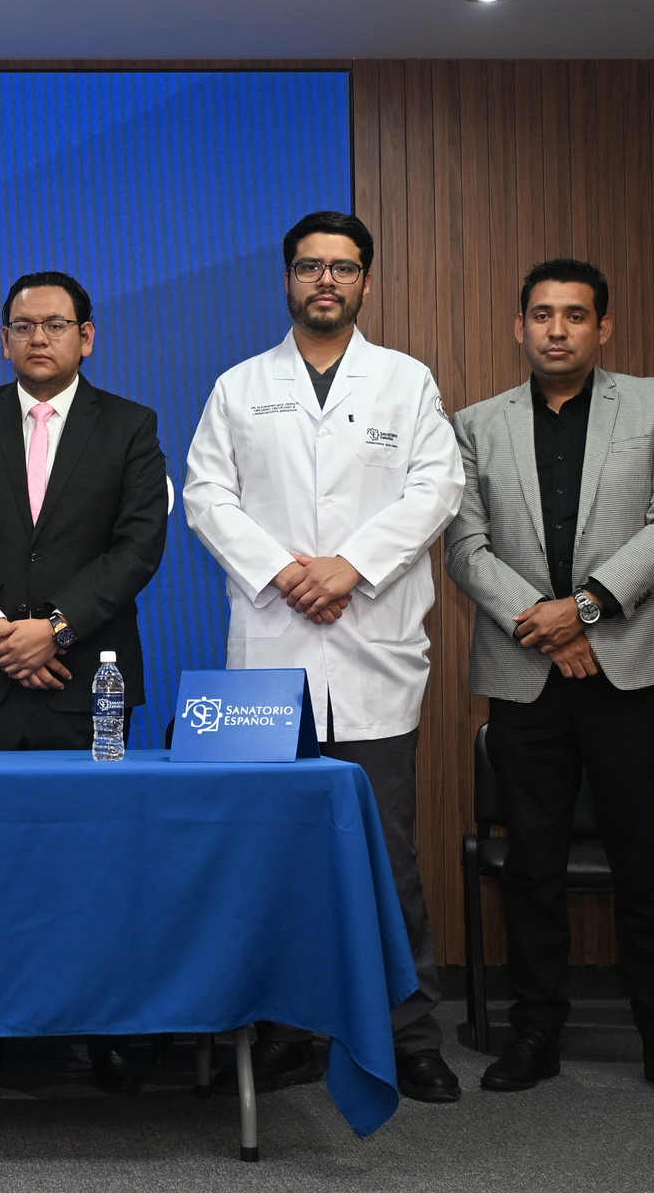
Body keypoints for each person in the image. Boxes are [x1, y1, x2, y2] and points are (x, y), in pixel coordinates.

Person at [182, 212, 465, 1104]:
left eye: (343, 267)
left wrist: (351, 566)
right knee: (270, 856)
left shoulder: (406, 382)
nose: (326, 281)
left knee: (388, 853)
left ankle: (410, 1034)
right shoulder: (240, 386)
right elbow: (206, 495)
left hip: (373, 646)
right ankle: (283, 1032)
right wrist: (285, 572)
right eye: (310, 267)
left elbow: (438, 487)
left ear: (366, 282)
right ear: (288, 279)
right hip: (269, 660)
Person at [446, 259, 654, 1102]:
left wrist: (586, 610)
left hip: (630, 664)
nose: (556, 329)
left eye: (574, 315)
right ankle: (535, 1033)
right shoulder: (475, 424)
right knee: (531, 862)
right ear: (518, 327)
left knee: (643, 856)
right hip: (527, 666)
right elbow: (465, 547)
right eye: (541, 314)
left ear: (604, 328)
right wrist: (546, 622)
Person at [0, 270, 168, 1093]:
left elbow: (138, 546)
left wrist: (56, 627)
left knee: (87, 863)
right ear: (4, 337)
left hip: (87, 687)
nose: (37, 338)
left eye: (54, 324)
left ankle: (96, 1028)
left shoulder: (131, 425)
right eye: (22, 325)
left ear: (88, 336)